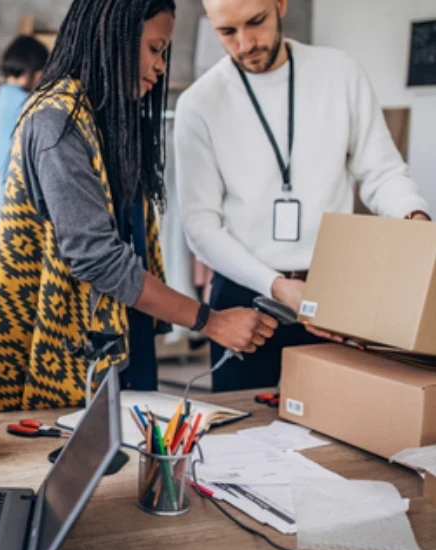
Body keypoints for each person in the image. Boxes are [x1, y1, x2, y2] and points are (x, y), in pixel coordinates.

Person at [0, 0, 278, 412]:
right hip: (74, 353)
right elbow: (97, 259)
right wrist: (210, 321)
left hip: (123, 336)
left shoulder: (104, 119)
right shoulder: (56, 121)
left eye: (164, 52)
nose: (160, 66)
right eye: (155, 49)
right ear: (112, 35)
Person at [175, 0, 432, 392]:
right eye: (227, 32)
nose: (245, 44)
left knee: (334, 427)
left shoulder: (339, 72)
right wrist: (277, 286)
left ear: (280, 4)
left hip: (332, 288)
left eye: (256, 22)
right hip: (245, 297)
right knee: (243, 435)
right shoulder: (198, 104)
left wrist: (415, 221)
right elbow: (200, 225)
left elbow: (381, 171)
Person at [0, 35, 49, 185]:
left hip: (5, 196)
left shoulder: (1, 97)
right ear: (38, 73)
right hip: (21, 201)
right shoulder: (27, 104)